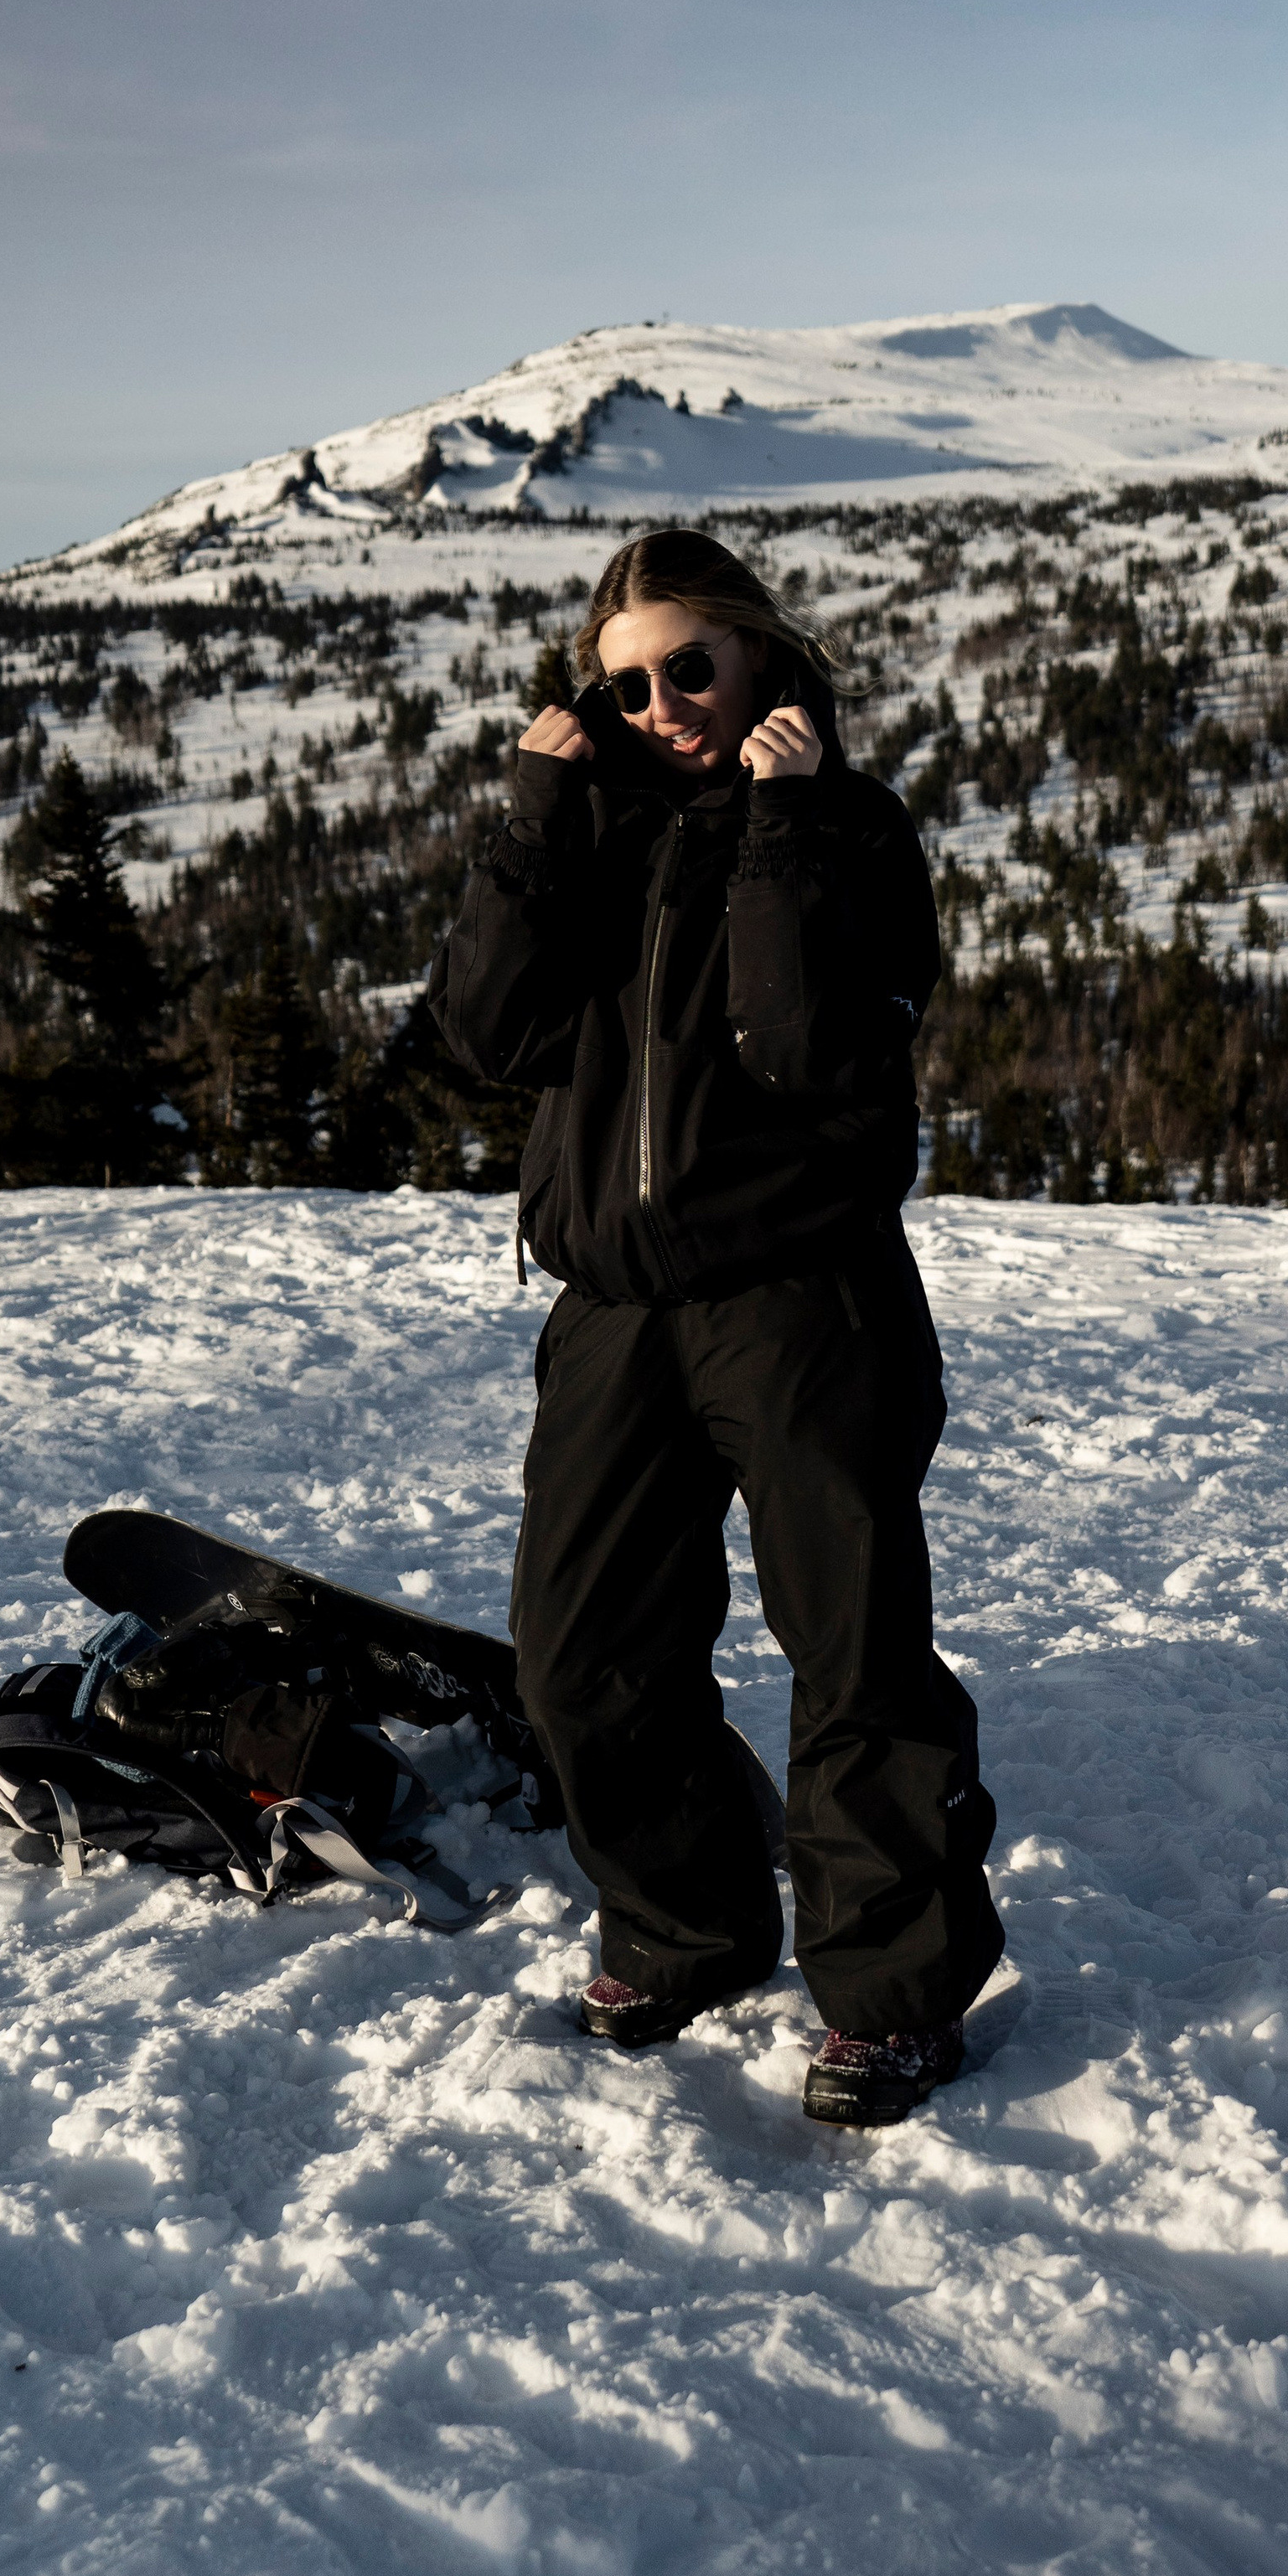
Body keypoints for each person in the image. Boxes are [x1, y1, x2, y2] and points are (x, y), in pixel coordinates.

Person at [427, 528, 1003, 2125]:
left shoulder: (851, 830)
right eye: (630, 684)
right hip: (614, 1310)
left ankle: (891, 1996)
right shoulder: (588, 829)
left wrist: (782, 823)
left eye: (691, 667)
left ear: (759, 655)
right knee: (581, 1653)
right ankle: (687, 1928)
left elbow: (804, 1043)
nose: (665, 704)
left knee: (854, 1653)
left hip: (803, 1300)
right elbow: (489, 1032)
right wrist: (533, 820)